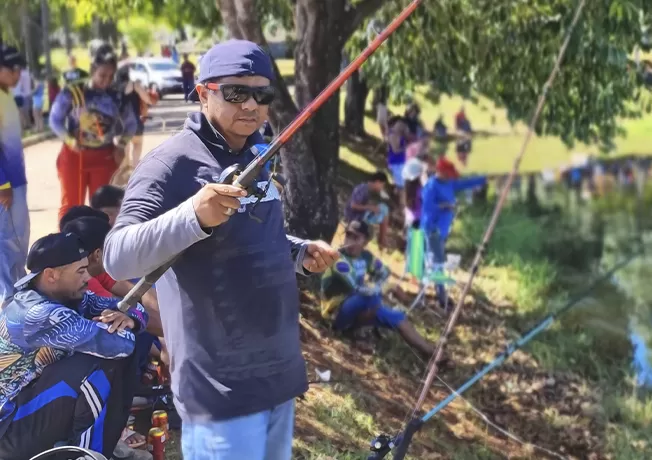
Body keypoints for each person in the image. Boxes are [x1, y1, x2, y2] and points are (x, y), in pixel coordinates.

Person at [102, 39, 340, 460]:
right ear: (203, 92)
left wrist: (300, 253)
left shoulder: (257, 154)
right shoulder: (169, 164)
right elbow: (117, 256)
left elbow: (258, 240)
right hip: (220, 388)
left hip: (278, 375)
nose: (251, 105)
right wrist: (193, 214)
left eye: (262, 94)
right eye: (236, 92)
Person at [0, 232, 148, 460]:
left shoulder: (64, 296)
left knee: (105, 357)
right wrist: (125, 321)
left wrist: (131, 319)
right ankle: (86, 454)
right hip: (9, 431)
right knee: (98, 364)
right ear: (51, 275)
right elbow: (120, 345)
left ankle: (95, 448)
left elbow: (127, 306)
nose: (88, 278)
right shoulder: (37, 313)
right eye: (80, 271)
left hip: (29, 410)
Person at [321, 221, 450, 361]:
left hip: (359, 304)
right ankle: (355, 331)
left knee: (398, 317)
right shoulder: (338, 259)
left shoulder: (366, 257)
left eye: (356, 238)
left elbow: (384, 272)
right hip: (335, 313)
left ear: (365, 241)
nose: (350, 241)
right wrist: (382, 287)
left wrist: (379, 285)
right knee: (372, 297)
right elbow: (357, 288)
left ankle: (432, 354)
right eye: (348, 235)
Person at [49, 44, 137, 221]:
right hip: (74, 156)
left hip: (104, 157)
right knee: (71, 207)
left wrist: (121, 145)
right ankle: (68, 246)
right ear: (92, 70)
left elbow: (131, 124)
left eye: (111, 76)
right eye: (102, 75)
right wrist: (70, 140)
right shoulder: (74, 91)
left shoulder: (117, 95)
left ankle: (101, 247)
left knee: (104, 208)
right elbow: (54, 120)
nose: (106, 80)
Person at [420, 158, 486, 309]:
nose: (451, 176)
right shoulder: (431, 186)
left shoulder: (449, 183)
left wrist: (483, 179)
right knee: (437, 263)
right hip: (433, 229)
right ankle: (441, 297)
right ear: (441, 172)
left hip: (442, 230)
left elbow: (464, 183)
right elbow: (428, 207)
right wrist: (446, 205)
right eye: (448, 173)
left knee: (437, 261)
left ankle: (437, 293)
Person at [0, 46, 30, 305]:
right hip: (6, 185)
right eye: (13, 69)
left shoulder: (6, 95)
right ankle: (10, 297)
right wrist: (3, 183)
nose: (18, 74)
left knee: (19, 238)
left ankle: (18, 289)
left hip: (16, 180)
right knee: (8, 240)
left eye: (20, 69)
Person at [113, 66, 154, 173]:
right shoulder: (135, 85)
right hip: (135, 124)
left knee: (123, 158)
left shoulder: (112, 88)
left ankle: (124, 181)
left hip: (119, 126)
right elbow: (148, 100)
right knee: (137, 148)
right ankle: (135, 176)